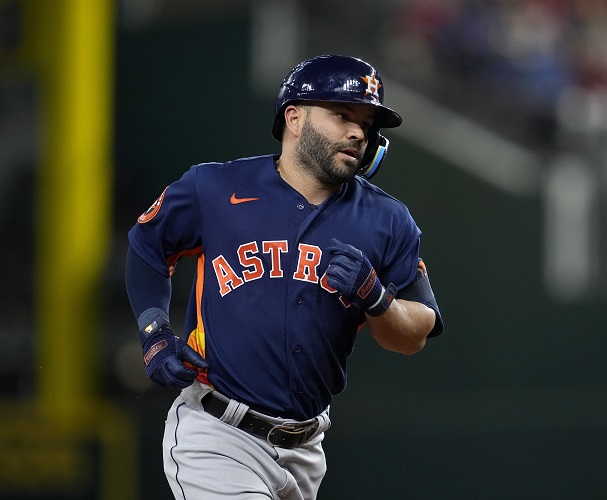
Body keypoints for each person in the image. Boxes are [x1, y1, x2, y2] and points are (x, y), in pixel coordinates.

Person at [125, 54, 444, 499]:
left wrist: (376, 298)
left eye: (367, 124)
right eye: (342, 115)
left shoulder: (388, 220)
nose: (358, 132)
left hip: (307, 449)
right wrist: (154, 331)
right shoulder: (214, 188)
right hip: (217, 434)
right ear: (294, 118)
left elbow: (413, 335)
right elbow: (146, 246)